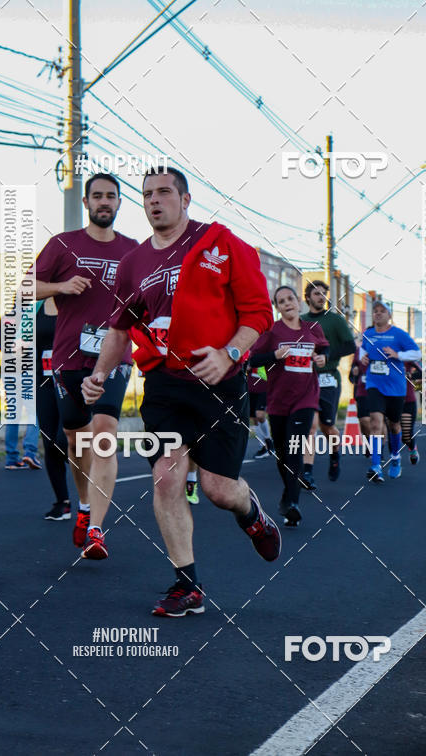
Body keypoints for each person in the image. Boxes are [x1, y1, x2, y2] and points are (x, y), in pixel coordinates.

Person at [81, 167, 280, 617]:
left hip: (220, 382)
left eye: (164, 192)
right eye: (148, 194)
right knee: (167, 476)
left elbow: (258, 313)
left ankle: (253, 515)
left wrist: (230, 353)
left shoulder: (223, 243)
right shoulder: (134, 263)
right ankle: (186, 585)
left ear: (186, 199)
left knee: (217, 489)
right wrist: (99, 374)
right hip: (165, 386)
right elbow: (119, 329)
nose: (155, 200)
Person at [33, 173, 139, 558]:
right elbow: (25, 287)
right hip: (69, 358)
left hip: (114, 357)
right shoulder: (63, 245)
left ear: (119, 202)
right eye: (97, 196)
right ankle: (81, 506)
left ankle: (96, 527)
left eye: (111, 196)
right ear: (86, 203)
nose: (104, 202)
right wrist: (61, 287)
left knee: (105, 433)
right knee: (78, 441)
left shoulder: (133, 250)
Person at [250, 286, 328, 527]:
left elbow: (324, 348)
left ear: (298, 302)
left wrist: (322, 357)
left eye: (290, 299)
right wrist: (275, 355)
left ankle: (292, 503)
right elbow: (253, 359)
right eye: (281, 301)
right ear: (277, 307)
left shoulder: (312, 328)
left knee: (295, 448)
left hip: (306, 398)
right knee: (283, 454)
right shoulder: (273, 331)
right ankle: (288, 497)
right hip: (278, 401)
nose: (287, 303)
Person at [300, 280, 356, 486]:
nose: (321, 296)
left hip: (328, 377)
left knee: (327, 426)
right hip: (306, 379)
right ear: (308, 297)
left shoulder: (335, 320)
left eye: (324, 293)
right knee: (310, 426)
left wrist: (327, 353)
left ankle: (335, 456)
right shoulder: (300, 321)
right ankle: (307, 472)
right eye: (316, 293)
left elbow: (350, 346)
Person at [360, 301, 422, 482]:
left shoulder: (399, 334)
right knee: (376, 423)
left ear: (389, 315)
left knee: (394, 424)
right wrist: (362, 357)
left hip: (395, 387)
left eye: (382, 311)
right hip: (374, 384)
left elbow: (416, 353)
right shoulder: (369, 334)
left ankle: (395, 457)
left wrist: (398, 355)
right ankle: (376, 465)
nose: (378, 314)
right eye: (376, 311)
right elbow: (362, 350)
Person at [35, 297, 71, 520]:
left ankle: (94, 491)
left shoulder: (76, 300)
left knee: (64, 439)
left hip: (73, 379)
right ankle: (62, 503)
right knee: (49, 442)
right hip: (44, 381)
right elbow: (11, 339)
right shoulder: (34, 306)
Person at [0, 314, 41, 470]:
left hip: (9, 371)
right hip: (28, 371)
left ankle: (11, 458)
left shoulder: (5, 319)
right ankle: (30, 451)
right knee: (34, 413)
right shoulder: (33, 317)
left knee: (13, 414)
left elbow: (1, 345)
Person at [247, 363, 274, 459]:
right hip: (250, 387)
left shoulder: (264, 349)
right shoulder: (249, 350)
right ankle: (263, 446)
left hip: (264, 387)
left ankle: (269, 442)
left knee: (260, 415)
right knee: (254, 418)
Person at [349, 343, 371, 441]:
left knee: (378, 421)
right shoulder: (359, 351)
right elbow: (351, 376)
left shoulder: (384, 350)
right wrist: (354, 372)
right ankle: (368, 440)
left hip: (380, 390)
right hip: (362, 391)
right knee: (364, 420)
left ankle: (378, 448)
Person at [401, 362, 421, 465]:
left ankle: (413, 448)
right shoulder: (385, 358)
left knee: (406, 435)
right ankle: (394, 459)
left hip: (408, 401)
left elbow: (423, 373)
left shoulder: (408, 358)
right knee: (393, 430)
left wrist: (411, 376)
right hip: (391, 399)